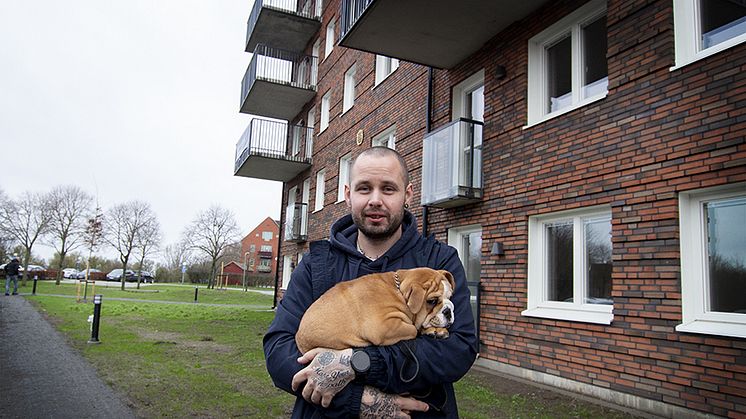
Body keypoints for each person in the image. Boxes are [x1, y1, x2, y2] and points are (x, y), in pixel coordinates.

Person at [264, 147, 478, 418]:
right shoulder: (316, 264)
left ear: (407, 195)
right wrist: (354, 400)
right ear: (348, 195)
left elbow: (457, 349)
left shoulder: (438, 261)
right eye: (364, 188)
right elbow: (278, 350)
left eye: (388, 189)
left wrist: (358, 363)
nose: (376, 200)